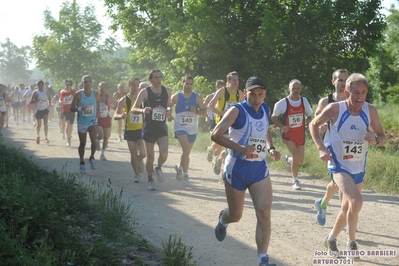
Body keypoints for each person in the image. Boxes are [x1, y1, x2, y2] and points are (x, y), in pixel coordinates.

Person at [309, 73, 386, 261]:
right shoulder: (335, 108)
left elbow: (383, 137)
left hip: (358, 165)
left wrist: (375, 140)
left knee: (347, 206)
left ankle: (331, 238)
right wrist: (321, 148)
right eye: (355, 92)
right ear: (346, 92)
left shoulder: (371, 110)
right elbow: (312, 124)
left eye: (363, 92)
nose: (360, 97)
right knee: (357, 201)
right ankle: (352, 243)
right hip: (338, 164)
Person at [211, 77, 279, 266]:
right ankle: (223, 219)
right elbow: (215, 134)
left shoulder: (266, 108)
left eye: (260, 94)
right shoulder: (236, 110)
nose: (256, 98)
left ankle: (262, 259)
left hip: (258, 168)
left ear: (265, 94)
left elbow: (265, 130)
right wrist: (241, 148)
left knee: (264, 212)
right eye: (253, 94)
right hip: (237, 169)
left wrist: (271, 147)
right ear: (245, 93)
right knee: (235, 215)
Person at [314, 69, 349, 226]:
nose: (343, 83)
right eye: (340, 80)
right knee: (342, 182)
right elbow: (316, 120)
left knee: (338, 183)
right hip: (331, 144)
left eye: (345, 80)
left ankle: (322, 203)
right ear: (333, 82)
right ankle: (347, 220)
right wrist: (321, 127)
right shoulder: (325, 101)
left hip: (349, 145)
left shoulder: (353, 99)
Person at [131, 69, 173, 191]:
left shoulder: (167, 90)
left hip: (161, 128)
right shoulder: (145, 92)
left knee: (164, 154)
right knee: (150, 157)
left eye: (160, 77)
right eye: (155, 77)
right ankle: (150, 178)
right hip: (149, 128)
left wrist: (169, 111)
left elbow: (169, 104)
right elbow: (134, 108)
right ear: (150, 79)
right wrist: (142, 110)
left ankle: (158, 167)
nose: (158, 79)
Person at [270, 79, 313, 190]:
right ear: (289, 88)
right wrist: (282, 127)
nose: (295, 90)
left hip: (300, 134)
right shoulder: (283, 103)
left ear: (300, 89)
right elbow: (273, 117)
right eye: (293, 88)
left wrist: (309, 123)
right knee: (296, 155)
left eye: (297, 88)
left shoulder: (304, 101)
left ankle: (289, 160)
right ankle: (295, 181)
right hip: (289, 135)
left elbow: (309, 115)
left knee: (300, 160)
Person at [170, 74, 207, 185]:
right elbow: (168, 106)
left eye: (191, 84)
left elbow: (204, 112)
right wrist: (168, 114)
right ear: (183, 83)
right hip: (180, 127)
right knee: (186, 150)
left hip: (192, 129)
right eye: (187, 83)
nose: (189, 86)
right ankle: (186, 174)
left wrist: (196, 111)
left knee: (186, 153)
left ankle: (180, 167)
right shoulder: (176, 97)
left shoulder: (197, 97)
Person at [207, 71, 244, 177]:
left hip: (233, 125)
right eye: (233, 80)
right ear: (228, 81)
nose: (236, 82)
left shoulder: (240, 94)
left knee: (230, 148)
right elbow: (210, 105)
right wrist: (221, 113)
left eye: (237, 80)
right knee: (221, 144)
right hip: (221, 123)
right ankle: (211, 151)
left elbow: (243, 109)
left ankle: (219, 161)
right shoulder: (222, 91)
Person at [114, 77, 147, 183]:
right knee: (133, 154)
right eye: (133, 85)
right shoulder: (124, 100)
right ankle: (137, 174)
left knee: (143, 153)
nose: (135, 87)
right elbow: (115, 115)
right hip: (130, 130)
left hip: (141, 129)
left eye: (137, 85)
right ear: (129, 85)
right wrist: (121, 116)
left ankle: (140, 160)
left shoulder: (142, 98)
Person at [70, 75, 100, 174]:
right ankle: (82, 162)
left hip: (92, 121)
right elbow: (71, 108)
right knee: (83, 143)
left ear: (92, 83)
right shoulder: (78, 94)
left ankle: (92, 157)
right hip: (82, 121)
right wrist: (80, 108)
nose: (87, 83)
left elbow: (98, 104)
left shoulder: (96, 94)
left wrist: (98, 111)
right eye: (85, 82)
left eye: (89, 81)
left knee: (94, 140)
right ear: (82, 83)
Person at [204, 79, 225, 163]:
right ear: (216, 87)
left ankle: (216, 162)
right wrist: (206, 117)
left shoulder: (225, 97)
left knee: (220, 145)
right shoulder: (210, 96)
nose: (220, 90)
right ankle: (211, 149)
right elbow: (203, 108)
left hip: (223, 121)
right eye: (219, 88)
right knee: (218, 140)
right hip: (213, 121)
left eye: (222, 88)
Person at [97, 82, 117, 161]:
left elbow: (116, 105)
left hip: (107, 119)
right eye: (100, 86)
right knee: (101, 135)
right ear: (98, 88)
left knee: (106, 137)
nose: (102, 88)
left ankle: (102, 154)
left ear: (107, 89)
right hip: (98, 119)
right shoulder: (96, 96)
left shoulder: (109, 97)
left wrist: (114, 107)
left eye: (104, 87)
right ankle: (97, 140)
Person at [59, 80, 77, 146]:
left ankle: (69, 136)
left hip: (72, 110)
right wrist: (60, 102)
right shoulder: (62, 92)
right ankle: (68, 140)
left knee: (70, 125)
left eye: (69, 84)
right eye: (66, 84)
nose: (68, 85)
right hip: (65, 110)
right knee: (67, 123)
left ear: (71, 85)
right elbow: (60, 99)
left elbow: (77, 100)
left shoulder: (74, 92)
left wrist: (73, 98)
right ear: (64, 85)